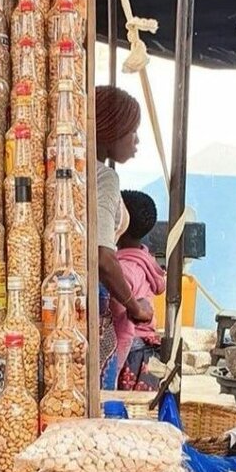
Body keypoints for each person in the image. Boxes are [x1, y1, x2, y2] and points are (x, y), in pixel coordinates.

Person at [95, 85, 153, 388]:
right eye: (132, 130)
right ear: (110, 131)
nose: (137, 140)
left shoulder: (72, 170)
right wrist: (134, 305)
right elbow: (103, 259)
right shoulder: (103, 178)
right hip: (92, 304)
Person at [110, 190, 165, 391]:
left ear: (119, 223)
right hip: (147, 352)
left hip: (131, 352)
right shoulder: (144, 261)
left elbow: (118, 313)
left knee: (126, 410)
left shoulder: (122, 269)